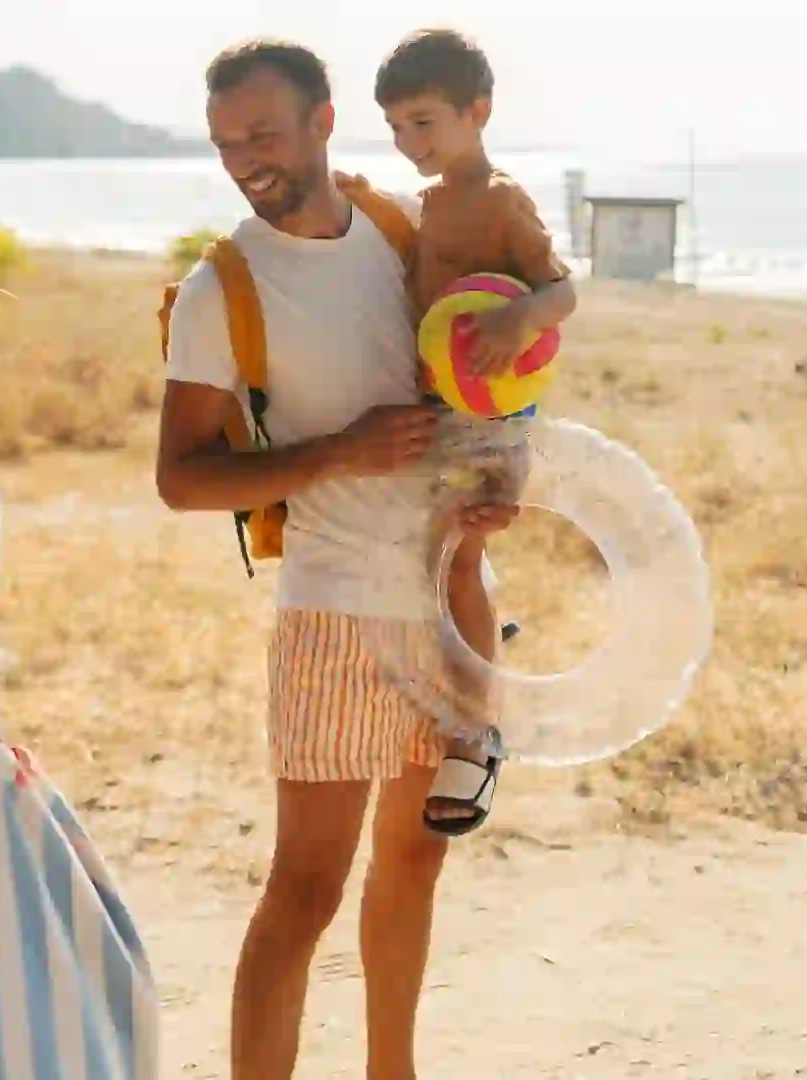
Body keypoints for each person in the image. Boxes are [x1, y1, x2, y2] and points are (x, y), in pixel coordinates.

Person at [155, 40, 517, 1080]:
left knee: (414, 860)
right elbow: (181, 477)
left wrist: (493, 480)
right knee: (306, 888)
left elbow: (479, 380)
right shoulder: (219, 289)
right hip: (332, 617)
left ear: (323, 122)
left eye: (263, 135)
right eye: (227, 144)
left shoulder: (405, 231)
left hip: (447, 601)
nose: (245, 160)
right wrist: (336, 453)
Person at [375, 26, 578, 834]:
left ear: (478, 111)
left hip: (491, 412)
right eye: (396, 127)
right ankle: (481, 644)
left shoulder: (500, 197)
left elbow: (561, 292)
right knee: (439, 556)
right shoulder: (424, 206)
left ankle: (479, 734)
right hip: (437, 408)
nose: (409, 142)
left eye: (424, 122)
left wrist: (521, 318)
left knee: (459, 554)